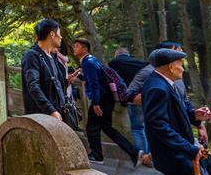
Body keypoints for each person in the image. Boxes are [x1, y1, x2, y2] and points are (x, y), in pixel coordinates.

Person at [73, 39, 145, 167]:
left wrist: (95, 103)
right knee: (107, 128)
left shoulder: (88, 62)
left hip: (101, 99)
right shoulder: (91, 60)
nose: (74, 49)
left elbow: (95, 84)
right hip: (106, 98)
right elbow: (95, 80)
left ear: (84, 49)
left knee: (91, 127)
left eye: (77, 46)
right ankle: (135, 153)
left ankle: (96, 155)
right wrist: (79, 76)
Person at [20, 19, 66, 121]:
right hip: (43, 117)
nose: (61, 37)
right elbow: (33, 85)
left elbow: (53, 83)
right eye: (59, 33)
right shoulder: (32, 56)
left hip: (57, 113)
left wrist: (67, 81)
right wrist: (51, 110)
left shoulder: (52, 56)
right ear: (52, 34)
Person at [110, 47, 150, 158]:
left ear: (117, 55)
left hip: (132, 99)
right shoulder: (140, 63)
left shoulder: (114, 63)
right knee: (148, 127)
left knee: (137, 128)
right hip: (147, 97)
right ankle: (152, 156)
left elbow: (112, 82)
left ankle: (142, 156)